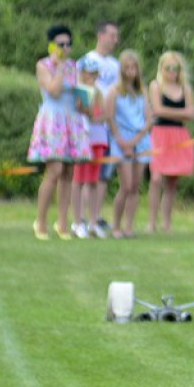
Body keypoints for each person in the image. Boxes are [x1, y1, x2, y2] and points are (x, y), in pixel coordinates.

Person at [28, 24, 91, 240]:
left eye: (68, 44)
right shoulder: (43, 65)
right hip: (52, 120)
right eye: (60, 44)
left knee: (68, 173)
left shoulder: (74, 67)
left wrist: (86, 99)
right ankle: (41, 221)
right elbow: (53, 91)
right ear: (52, 45)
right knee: (53, 171)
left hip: (72, 120)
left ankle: (62, 222)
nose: (65, 48)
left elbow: (80, 98)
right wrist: (61, 69)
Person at [79, 20, 121, 238]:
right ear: (100, 35)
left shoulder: (115, 65)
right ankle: (83, 218)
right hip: (88, 126)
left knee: (101, 175)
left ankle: (95, 217)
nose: (115, 40)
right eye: (112, 35)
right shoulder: (87, 60)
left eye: (116, 36)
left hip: (106, 126)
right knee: (85, 174)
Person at [147, 51, 194, 234]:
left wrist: (164, 111)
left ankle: (166, 223)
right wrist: (180, 112)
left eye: (175, 68)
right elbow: (157, 110)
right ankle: (151, 222)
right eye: (168, 68)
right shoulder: (156, 86)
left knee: (171, 181)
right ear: (162, 68)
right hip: (160, 135)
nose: (172, 72)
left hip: (179, 136)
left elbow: (191, 114)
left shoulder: (186, 88)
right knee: (156, 178)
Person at [106, 50, 152, 239]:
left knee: (135, 187)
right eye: (127, 68)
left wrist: (137, 138)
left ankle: (129, 226)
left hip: (140, 141)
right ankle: (115, 225)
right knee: (126, 185)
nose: (131, 71)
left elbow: (148, 118)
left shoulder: (142, 91)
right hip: (121, 141)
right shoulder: (115, 91)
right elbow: (110, 118)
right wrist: (123, 142)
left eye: (134, 67)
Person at [70, 57, 107, 239]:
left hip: (97, 139)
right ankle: (77, 221)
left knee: (93, 181)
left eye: (94, 73)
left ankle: (93, 221)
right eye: (89, 73)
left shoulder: (99, 92)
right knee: (78, 181)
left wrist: (92, 112)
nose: (92, 77)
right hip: (81, 139)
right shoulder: (76, 92)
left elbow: (101, 115)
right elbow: (79, 113)